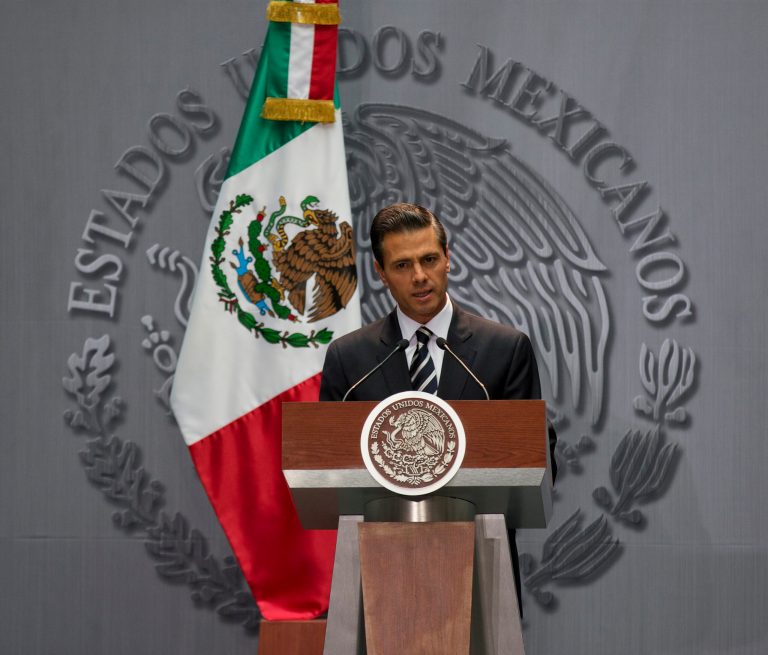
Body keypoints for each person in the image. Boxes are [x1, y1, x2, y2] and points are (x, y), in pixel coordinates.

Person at [319, 202, 556, 609]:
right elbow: (326, 465)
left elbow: (538, 459)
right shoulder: (349, 359)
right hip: (379, 570)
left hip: (480, 564)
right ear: (380, 272)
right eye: (402, 265)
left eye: (429, 259)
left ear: (449, 258)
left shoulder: (504, 349)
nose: (419, 277)